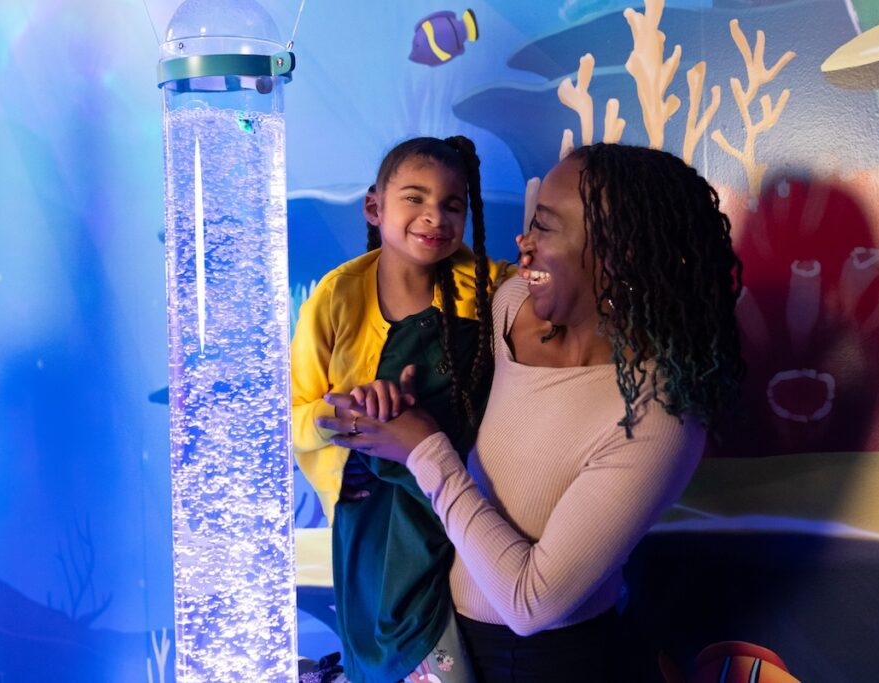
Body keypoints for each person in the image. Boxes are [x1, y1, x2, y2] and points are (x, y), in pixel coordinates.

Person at [318, 144, 746, 681]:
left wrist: (424, 449)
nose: (522, 244)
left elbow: (530, 603)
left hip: (549, 662)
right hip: (444, 631)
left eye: (544, 228)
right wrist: (398, 403)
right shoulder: (509, 307)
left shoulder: (659, 417)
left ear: (620, 255)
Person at [291, 136, 512, 682]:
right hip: (367, 515)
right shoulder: (337, 295)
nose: (433, 216)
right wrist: (342, 417)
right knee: (378, 647)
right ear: (375, 207)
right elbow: (295, 412)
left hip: (455, 501)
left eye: (452, 204)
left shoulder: (493, 290)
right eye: (414, 198)